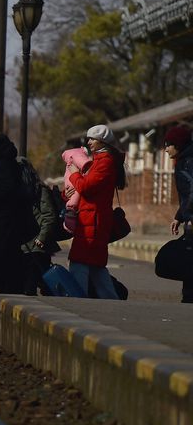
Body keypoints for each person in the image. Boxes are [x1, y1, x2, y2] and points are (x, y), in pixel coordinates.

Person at [0, 127, 38, 305]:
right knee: (8, 259)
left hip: (7, 219)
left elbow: (7, 188)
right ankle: (5, 296)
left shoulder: (2, 162)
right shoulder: (3, 159)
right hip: (7, 218)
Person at [65, 124, 126, 299]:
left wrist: (74, 173)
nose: (89, 142)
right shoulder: (100, 160)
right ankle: (110, 302)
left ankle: (79, 301)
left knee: (80, 263)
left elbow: (86, 187)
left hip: (93, 220)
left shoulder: (105, 162)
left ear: (102, 141)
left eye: (93, 139)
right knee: (96, 267)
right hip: (92, 217)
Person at [20, 158, 60, 296]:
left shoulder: (40, 190)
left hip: (38, 245)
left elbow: (50, 216)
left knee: (35, 285)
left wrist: (42, 237)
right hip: (26, 245)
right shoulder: (21, 192)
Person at [162, 125, 193, 303]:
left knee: (188, 259)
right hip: (188, 217)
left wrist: (189, 217)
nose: (166, 149)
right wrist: (179, 216)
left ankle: (189, 299)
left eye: (168, 144)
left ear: (179, 144)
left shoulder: (187, 162)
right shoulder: (185, 160)